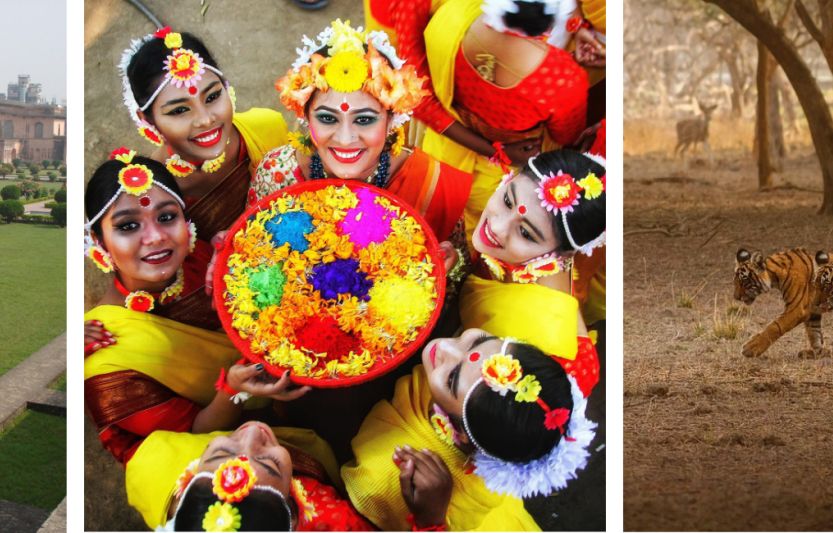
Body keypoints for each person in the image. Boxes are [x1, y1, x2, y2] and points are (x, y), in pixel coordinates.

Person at [83, 151, 310, 465]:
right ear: (98, 241)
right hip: (226, 453)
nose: (155, 238)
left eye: (166, 217)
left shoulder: (204, 255)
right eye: (128, 226)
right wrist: (232, 390)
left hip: (299, 383)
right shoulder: (105, 356)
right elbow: (190, 434)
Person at [341, 328, 596, 531]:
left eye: (451, 379)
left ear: (459, 430)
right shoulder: (488, 395)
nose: (445, 346)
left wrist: (430, 521)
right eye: (479, 341)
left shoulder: (384, 476)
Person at [377, 0, 592, 235]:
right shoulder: (561, 79)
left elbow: (414, 94)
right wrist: (499, 152)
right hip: (501, 183)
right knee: (483, 239)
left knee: (427, 227)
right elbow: (567, 135)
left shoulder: (452, 15)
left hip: (440, 155)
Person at [250, 19, 474, 242]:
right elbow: (248, 252)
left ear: (391, 120)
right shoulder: (279, 174)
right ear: (307, 117)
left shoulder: (435, 188)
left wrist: (449, 262)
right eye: (328, 118)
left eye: (364, 119)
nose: (345, 139)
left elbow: (460, 271)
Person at [119, 27, 290, 240]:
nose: (206, 119)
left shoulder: (267, 128)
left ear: (226, 88)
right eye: (179, 110)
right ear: (148, 120)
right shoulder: (148, 191)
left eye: (212, 96)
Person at [459, 150, 604, 387]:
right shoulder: (515, 252)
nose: (496, 226)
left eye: (525, 233)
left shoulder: (544, 345)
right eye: (507, 201)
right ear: (510, 177)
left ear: (563, 253)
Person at [127, 421, 377, 531]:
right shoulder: (338, 523)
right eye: (268, 462)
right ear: (291, 516)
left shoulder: (184, 501)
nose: (251, 432)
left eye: (222, 452)